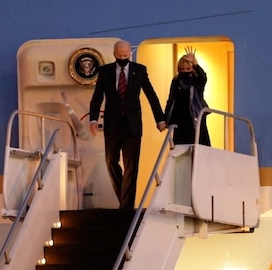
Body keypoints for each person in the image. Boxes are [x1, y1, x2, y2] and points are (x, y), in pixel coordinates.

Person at [89, 40, 166, 209]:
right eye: (120, 56)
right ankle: (125, 198)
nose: (123, 58)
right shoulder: (105, 71)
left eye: (125, 55)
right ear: (114, 54)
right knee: (110, 161)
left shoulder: (139, 70)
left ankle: (126, 206)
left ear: (130, 54)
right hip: (112, 123)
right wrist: (93, 119)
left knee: (131, 165)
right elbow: (97, 97)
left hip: (132, 124)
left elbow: (151, 95)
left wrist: (160, 119)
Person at [164, 46, 210, 146]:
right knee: (181, 146)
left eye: (188, 68)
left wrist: (195, 64)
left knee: (198, 144)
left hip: (195, 117)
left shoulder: (196, 81)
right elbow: (171, 100)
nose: (185, 71)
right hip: (180, 119)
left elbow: (203, 77)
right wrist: (165, 119)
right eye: (182, 69)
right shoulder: (176, 81)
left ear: (192, 69)